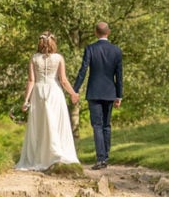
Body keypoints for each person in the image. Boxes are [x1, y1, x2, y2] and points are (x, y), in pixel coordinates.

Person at [16, 31, 82, 171]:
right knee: (55, 122)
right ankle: (56, 153)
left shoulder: (34, 58)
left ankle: (40, 157)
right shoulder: (59, 58)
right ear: (53, 43)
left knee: (40, 125)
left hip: (39, 92)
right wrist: (73, 93)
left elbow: (31, 81)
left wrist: (26, 100)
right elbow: (63, 80)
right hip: (54, 92)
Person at [73, 21, 123, 170]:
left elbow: (83, 70)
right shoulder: (116, 50)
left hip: (94, 92)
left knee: (97, 126)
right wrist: (119, 96)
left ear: (96, 33)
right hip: (110, 92)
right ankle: (105, 157)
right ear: (108, 32)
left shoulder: (90, 48)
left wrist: (75, 89)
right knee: (106, 125)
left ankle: (101, 159)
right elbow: (119, 75)